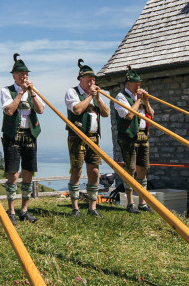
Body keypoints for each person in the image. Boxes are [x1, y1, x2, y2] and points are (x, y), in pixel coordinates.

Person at [0, 53, 42, 223]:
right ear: (14, 76)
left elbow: (40, 110)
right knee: (13, 174)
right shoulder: (6, 90)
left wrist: (31, 93)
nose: (24, 77)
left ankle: (24, 210)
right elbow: (9, 111)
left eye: (26, 74)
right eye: (21, 74)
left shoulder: (33, 91)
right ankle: (11, 211)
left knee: (28, 172)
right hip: (13, 135)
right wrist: (21, 93)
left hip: (30, 134)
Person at [64, 59, 109, 217]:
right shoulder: (72, 92)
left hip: (94, 138)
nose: (92, 82)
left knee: (95, 171)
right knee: (77, 170)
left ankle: (92, 207)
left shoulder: (95, 95)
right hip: (77, 137)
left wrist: (97, 98)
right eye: (89, 79)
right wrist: (90, 96)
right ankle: (75, 208)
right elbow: (77, 109)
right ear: (81, 80)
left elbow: (105, 113)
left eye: (94, 79)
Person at [114, 67, 154, 213]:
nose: (139, 86)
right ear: (128, 83)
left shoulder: (140, 98)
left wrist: (146, 101)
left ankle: (142, 203)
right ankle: (130, 203)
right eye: (136, 83)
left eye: (139, 83)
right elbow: (129, 115)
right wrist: (137, 100)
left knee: (143, 168)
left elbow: (151, 114)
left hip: (143, 136)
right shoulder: (121, 97)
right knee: (130, 169)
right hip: (129, 137)